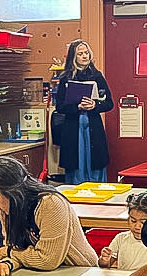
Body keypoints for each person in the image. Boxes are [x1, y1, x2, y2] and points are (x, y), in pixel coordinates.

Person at [56, 39, 113, 184]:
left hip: (93, 125)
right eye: (80, 54)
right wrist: (77, 107)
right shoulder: (65, 78)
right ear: (73, 57)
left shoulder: (97, 76)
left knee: (95, 163)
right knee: (75, 163)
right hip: (73, 128)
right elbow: (60, 107)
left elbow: (109, 103)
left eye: (86, 53)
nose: (84, 56)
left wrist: (95, 105)